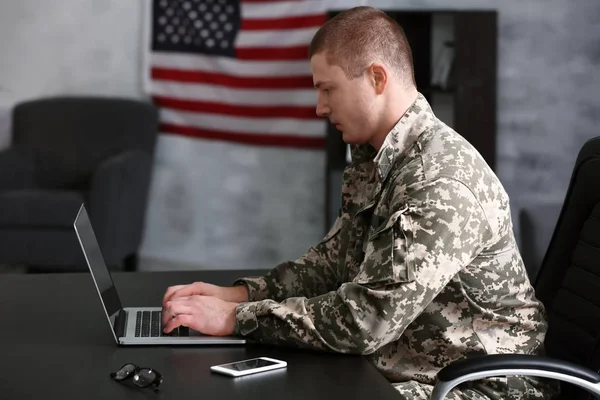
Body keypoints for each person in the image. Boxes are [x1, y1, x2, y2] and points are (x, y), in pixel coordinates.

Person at [161, 6, 557, 400]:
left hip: (479, 387)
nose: (320, 107)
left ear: (376, 78)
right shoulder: (377, 156)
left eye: (327, 89)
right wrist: (243, 295)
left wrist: (235, 318)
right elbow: (335, 263)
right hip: (409, 366)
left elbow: (366, 320)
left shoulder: (439, 181)